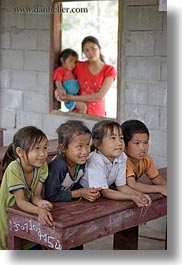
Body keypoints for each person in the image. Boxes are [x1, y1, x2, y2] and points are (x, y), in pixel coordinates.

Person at [0, 126, 53, 250]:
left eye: (45, 148)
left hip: (25, 216)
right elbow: (20, 201)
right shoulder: (14, 168)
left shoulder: (42, 166)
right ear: (20, 152)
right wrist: (39, 211)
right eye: (37, 149)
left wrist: (40, 203)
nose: (43, 154)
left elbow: (36, 195)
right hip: (7, 218)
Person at [80, 120, 151, 207]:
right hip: (82, 198)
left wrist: (140, 195)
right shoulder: (95, 159)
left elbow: (121, 187)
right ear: (97, 143)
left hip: (99, 197)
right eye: (113, 138)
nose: (119, 143)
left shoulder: (122, 157)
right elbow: (104, 192)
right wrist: (132, 197)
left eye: (121, 138)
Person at [58, 36, 116, 117]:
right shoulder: (78, 66)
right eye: (86, 50)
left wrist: (72, 98)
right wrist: (59, 91)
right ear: (83, 53)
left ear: (99, 48)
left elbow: (99, 95)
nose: (90, 52)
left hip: (97, 115)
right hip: (77, 113)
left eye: (93, 48)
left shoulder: (109, 70)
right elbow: (61, 76)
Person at [44, 120, 100, 202]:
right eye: (79, 146)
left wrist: (89, 192)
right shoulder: (58, 166)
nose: (85, 151)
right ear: (63, 148)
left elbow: (73, 186)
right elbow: (51, 195)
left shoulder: (80, 163)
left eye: (87, 144)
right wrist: (80, 193)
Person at [121, 119, 167, 196]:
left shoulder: (146, 159)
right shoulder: (122, 160)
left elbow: (157, 179)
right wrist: (160, 189)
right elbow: (132, 185)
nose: (143, 148)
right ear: (124, 145)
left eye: (146, 142)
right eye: (137, 143)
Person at [54, 48, 87, 114]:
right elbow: (57, 81)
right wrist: (60, 89)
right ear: (62, 60)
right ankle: (79, 122)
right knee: (83, 107)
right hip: (69, 96)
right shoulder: (60, 70)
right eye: (71, 61)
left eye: (74, 62)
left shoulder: (72, 71)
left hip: (75, 95)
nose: (73, 64)